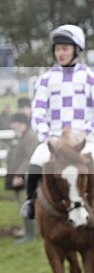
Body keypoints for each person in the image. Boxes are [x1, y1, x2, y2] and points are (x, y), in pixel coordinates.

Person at [21, 24, 94, 221]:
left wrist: (86, 132)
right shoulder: (45, 79)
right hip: (55, 140)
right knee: (36, 160)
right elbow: (38, 113)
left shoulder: (90, 77)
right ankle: (30, 203)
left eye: (65, 49)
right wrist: (46, 138)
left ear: (76, 50)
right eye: (57, 49)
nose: (60, 53)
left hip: (85, 139)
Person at [4, 112, 39, 243]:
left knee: (26, 204)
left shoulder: (29, 137)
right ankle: (27, 231)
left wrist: (20, 174)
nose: (13, 127)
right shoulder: (23, 136)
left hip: (25, 177)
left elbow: (29, 157)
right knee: (23, 204)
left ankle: (30, 236)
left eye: (14, 124)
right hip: (22, 176)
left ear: (20, 123)